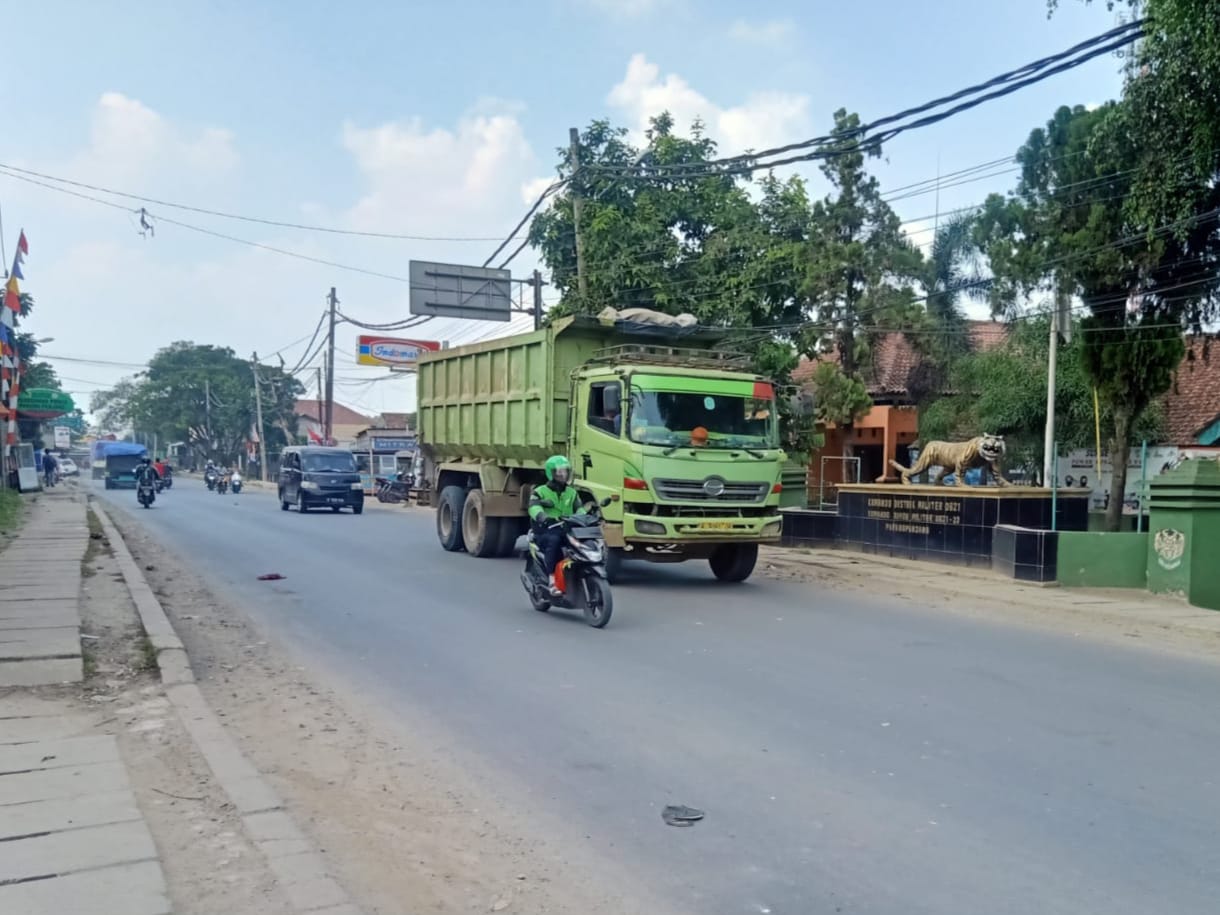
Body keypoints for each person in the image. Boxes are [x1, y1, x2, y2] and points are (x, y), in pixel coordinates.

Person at [529, 454, 578, 595]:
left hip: (566, 529)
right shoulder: (540, 492)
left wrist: (585, 516)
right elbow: (533, 507)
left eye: (565, 471)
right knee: (554, 541)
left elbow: (579, 508)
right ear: (551, 473)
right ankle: (552, 580)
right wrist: (542, 516)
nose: (563, 475)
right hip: (546, 530)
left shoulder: (572, 493)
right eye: (559, 472)